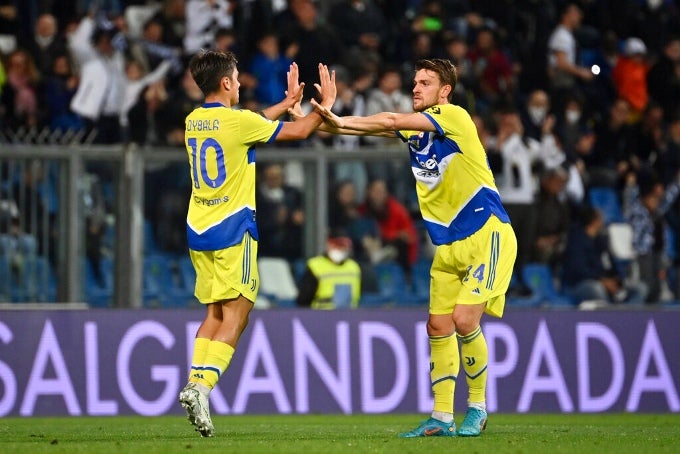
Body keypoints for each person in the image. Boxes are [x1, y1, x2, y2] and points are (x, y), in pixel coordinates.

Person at [310, 58, 517, 438]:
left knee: (465, 320)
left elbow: (387, 121)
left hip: (487, 234)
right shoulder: (416, 131)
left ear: (445, 92)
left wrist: (337, 119)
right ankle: (441, 418)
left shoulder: (455, 117)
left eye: (425, 82)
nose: (416, 88)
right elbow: (364, 130)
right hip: (449, 245)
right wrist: (323, 117)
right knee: (437, 326)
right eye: (414, 82)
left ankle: (478, 408)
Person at [178, 50, 336, 438]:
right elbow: (298, 133)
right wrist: (324, 107)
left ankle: (193, 384)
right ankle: (201, 387)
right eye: (237, 76)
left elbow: (246, 125)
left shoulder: (193, 121)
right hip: (233, 230)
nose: (241, 81)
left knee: (215, 313)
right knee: (239, 310)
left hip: (199, 230)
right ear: (228, 83)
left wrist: (284, 104)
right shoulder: (238, 122)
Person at [296, 233, 361, 309]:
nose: (340, 249)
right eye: (337, 246)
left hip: (350, 315)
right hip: (320, 315)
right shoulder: (316, 266)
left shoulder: (354, 267)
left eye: (343, 247)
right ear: (329, 245)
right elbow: (304, 299)